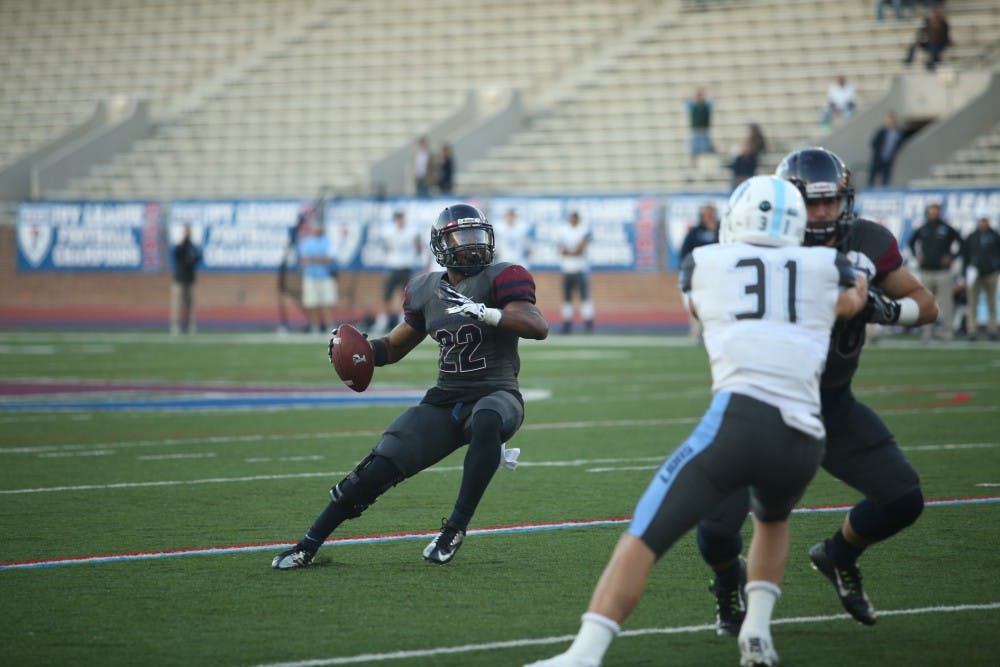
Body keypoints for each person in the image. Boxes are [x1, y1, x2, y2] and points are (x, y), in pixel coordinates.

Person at [524, 176, 869, 667]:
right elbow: (852, 301)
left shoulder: (706, 262)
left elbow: (699, 305)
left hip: (741, 421)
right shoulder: (828, 266)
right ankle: (756, 634)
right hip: (804, 439)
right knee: (772, 519)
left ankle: (584, 654)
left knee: (644, 532)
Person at [694, 147, 938, 640]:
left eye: (833, 202)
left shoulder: (866, 240)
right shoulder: (763, 244)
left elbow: (925, 304)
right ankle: (728, 582)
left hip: (830, 403)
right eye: (814, 202)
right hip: (761, 401)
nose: (825, 213)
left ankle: (839, 553)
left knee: (903, 499)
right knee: (719, 530)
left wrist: (884, 311)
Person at [272, 204, 548, 570]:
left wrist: (486, 313)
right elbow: (395, 347)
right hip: (445, 400)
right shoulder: (424, 289)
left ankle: (455, 529)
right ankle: (307, 546)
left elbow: (536, 325)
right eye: (461, 238)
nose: (472, 246)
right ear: (440, 245)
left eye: (477, 236)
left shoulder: (503, 277)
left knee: (485, 419)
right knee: (378, 465)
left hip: (497, 394)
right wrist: (359, 353)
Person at [908, 202, 962, 341]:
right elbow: (911, 242)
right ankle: (927, 332)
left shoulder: (947, 228)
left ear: (940, 212)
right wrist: (917, 255)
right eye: (932, 211)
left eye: (936, 211)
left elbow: (961, 244)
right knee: (927, 303)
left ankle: (947, 331)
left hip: (943, 272)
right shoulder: (923, 228)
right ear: (928, 212)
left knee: (946, 302)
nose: (934, 213)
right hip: (926, 271)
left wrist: (952, 257)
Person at [373, 210, 423, 335]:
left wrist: (414, 258)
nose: (401, 221)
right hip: (393, 266)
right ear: (395, 219)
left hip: (406, 266)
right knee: (386, 295)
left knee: (405, 296)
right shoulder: (388, 231)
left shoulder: (411, 231)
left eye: (402, 218)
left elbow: (418, 246)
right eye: (399, 218)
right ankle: (383, 320)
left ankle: (403, 319)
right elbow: (385, 247)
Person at [679, 203, 720, 343]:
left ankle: (712, 333)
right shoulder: (694, 232)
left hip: (716, 274)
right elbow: (684, 254)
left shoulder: (721, 230)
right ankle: (697, 334)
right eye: (707, 214)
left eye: (712, 214)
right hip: (697, 274)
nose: (710, 217)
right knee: (695, 304)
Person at [962, 208, 1000, 341]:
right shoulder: (972, 236)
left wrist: (996, 266)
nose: (983, 223)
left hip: (991, 273)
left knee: (992, 303)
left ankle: (993, 330)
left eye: (985, 220)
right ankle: (972, 330)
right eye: (981, 220)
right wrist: (965, 273)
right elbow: (965, 256)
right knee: (972, 303)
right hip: (974, 273)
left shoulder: (995, 235)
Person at [297, 222, 339, 334]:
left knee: (328, 302)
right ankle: (314, 326)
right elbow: (304, 260)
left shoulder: (328, 241)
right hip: (310, 276)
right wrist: (320, 259)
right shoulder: (306, 242)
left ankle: (330, 326)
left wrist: (313, 259)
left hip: (326, 276)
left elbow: (329, 259)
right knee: (311, 303)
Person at [558, 210, 594, 334]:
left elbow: (580, 250)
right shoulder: (563, 230)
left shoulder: (583, 229)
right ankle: (567, 325)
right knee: (567, 299)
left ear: (577, 219)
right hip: (567, 269)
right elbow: (561, 249)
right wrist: (571, 252)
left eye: (574, 218)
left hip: (580, 269)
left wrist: (570, 252)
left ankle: (588, 325)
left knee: (585, 298)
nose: (572, 220)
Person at [277, 214, 309, 334]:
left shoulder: (307, 235)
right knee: (301, 297)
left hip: (306, 271)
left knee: (307, 298)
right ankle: (309, 321)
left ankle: (312, 322)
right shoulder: (295, 234)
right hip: (298, 270)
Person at [170, 224, 202, 334]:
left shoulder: (193, 245)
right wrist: (183, 241)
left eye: (189, 231)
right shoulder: (180, 244)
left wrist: (191, 260)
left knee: (190, 303)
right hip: (179, 278)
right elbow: (177, 254)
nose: (188, 233)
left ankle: (190, 324)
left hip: (190, 278)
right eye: (186, 231)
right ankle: (175, 324)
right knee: (177, 302)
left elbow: (198, 258)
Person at [904, 5, 951, 70]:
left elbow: (944, 37)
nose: (933, 15)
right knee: (915, 44)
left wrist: (936, 28)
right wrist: (918, 40)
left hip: (940, 44)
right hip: (929, 43)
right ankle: (909, 60)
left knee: (934, 45)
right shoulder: (927, 21)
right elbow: (920, 32)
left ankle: (932, 62)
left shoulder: (943, 23)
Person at [868, 111, 904, 187]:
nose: (889, 121)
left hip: (888, 159)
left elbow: (899, 145)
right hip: (877, 159)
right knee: (872, 177)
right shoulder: (881, 131)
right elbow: (874, 143)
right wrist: (878, 153)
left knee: (885, 178)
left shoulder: (898, 133)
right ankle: (869, 190)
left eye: (891, 119)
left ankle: (884, 192)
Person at [685, 88, 715, 169]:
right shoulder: (692, 106)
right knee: (692, 152)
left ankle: (706, 169)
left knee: (705, 153)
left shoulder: (706, 106)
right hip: (695, 133)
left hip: (704, 132)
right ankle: (692, 169)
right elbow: (685, 101)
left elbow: (713, 102)